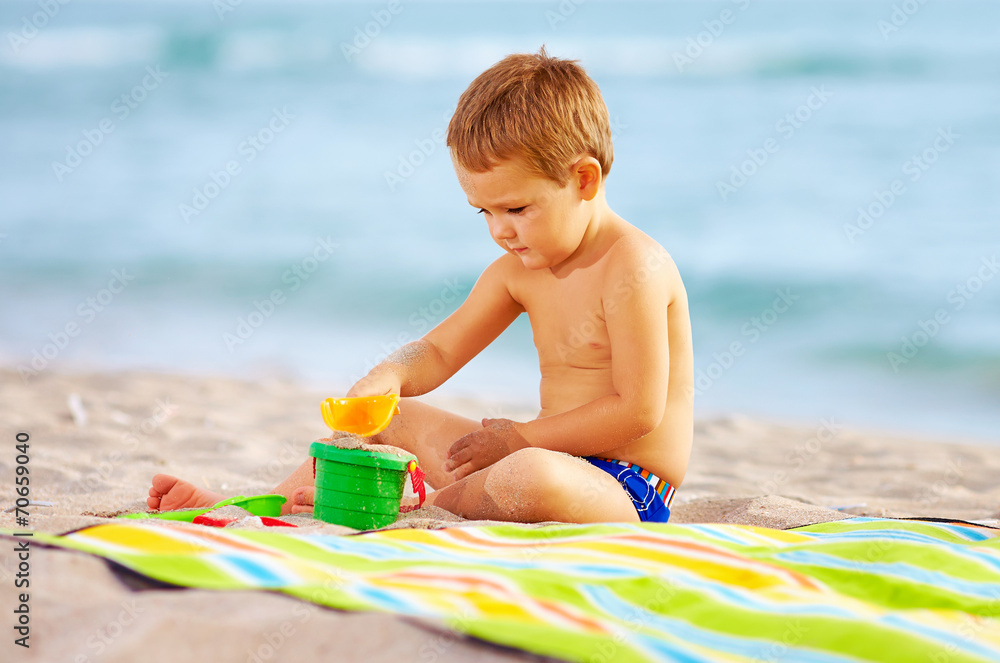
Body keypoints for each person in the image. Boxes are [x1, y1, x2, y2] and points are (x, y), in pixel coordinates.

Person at [147, 47, 693, 524]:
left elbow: (639, 410)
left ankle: (416, 506)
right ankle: (262, 506)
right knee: (394, 419)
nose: (500, 230)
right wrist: (391, 375)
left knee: (531, 476)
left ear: (583, 179)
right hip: (537, 454)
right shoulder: (517, 273)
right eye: (484, 211)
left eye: (517, 208)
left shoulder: (633, 265)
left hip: (626, 488)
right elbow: (437, 350)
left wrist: (521, 438)